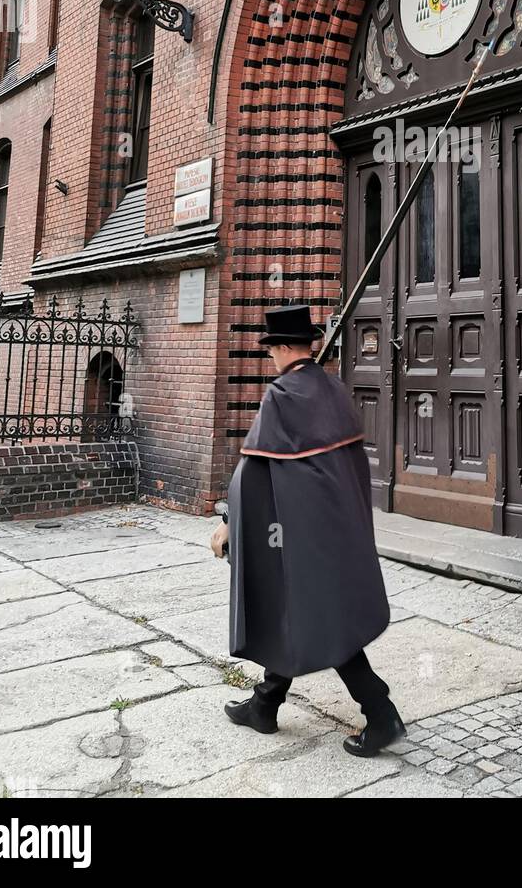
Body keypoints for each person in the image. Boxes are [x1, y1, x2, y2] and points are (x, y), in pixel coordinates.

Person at [210, 304, 405, 757]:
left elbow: (253, 470)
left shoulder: (283, 394)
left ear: (280, 347)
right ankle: (265, 704)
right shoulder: (332, 387)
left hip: (298, 530)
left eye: (271, 350)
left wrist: (226, 523)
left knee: (319, 618)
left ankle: (380, 714)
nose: (271, 359)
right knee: (300, 611)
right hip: (334, 526)